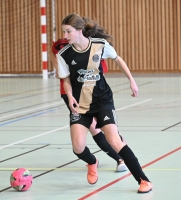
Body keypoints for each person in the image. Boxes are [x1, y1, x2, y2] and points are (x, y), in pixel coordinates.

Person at [57, 14, 153, 193]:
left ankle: (143, 180)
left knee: (114, 139)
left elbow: (118, 59)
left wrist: (131, 80)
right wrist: (69, 96)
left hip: (102, 100)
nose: (65, 36)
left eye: (68, 31)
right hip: (80, 104)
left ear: (79, 31)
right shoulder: (64, 54)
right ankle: (92, 162)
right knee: (77, 147)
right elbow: (66, 80)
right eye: (64, 32)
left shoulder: (99, 45)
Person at [51, 39, 128, 172]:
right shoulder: (60, 48)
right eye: (65, 31)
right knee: (94, 129)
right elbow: (59, 72)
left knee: (103, 128)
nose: (67, 34)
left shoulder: (94, 47)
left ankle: (120, 154)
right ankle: (114, 158)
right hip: (71, 95)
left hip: (92, 92)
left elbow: (102, 70)